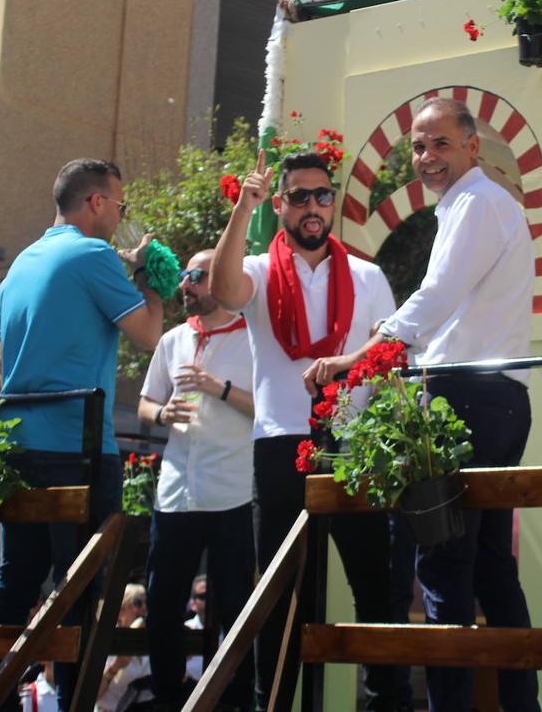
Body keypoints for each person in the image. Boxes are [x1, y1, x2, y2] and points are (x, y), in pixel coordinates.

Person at [302, 98, 540, 712]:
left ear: (472, 148)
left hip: (466, 397)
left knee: (443, 563)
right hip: (497, 396)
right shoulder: (476, 204)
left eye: (439, 144)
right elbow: (442, 304)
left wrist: (361, 356)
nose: (426, 157)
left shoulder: (478, 203)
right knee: (487, 564)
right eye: (417, 146)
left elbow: (436, 297)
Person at [210, 151, 399, 711]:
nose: (313, 207)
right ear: (280, 205)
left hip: (354, 443)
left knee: (374, 588)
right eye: (299, 197)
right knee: (280, 592)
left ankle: (386, 703)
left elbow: (389, 354)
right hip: (282, 442)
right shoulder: (260, 270)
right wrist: (242, 209)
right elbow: (222, 291)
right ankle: (275, 703)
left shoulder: (368, 275)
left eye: (322, 195)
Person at [0, 158, 164, 712]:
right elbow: (151, 334)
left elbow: (0, 357)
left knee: (16, 581)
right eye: (120, 205)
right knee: (84, 587)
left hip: (19, 446)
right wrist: (149, 277)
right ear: (96, 203)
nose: (121, 215)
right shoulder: (91, 255)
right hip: (76, 448)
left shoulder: (21, 264)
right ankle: (71, 703)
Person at [138, 249, 256, 708]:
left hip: (232, 493)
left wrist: (219, 388)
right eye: (185, 276)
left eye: (197, 276)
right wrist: (161, 412)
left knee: (233, 610)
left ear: (225, 281)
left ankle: (234, 702)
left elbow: (269, 411)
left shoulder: (254, 338)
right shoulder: (172, 340)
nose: (186, 284)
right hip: (175, 496)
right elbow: (147, 403)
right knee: (162, 607)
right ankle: (170, 700)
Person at [96, 585, 153, 712]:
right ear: (121, 609)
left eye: (146, 603)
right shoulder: (106, 640)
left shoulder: (149, 643)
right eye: (137, 603)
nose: (144, 608)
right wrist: (115, 667)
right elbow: (91, 695)